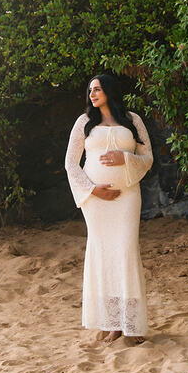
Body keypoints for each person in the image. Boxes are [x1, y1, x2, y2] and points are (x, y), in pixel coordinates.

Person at [64, 73, 153, 344]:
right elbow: (70, 163)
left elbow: (147, 158)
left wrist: (124, 158)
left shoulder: (133, 120)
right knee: (103, 255)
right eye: (90, 90)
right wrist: (92, 190)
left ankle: (131, 324)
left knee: (125, 253)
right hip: (96, 202)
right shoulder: (84, 122)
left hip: (127, 197)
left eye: (98, 89)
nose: (92, 94)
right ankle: (113, 323)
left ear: (110, 91)